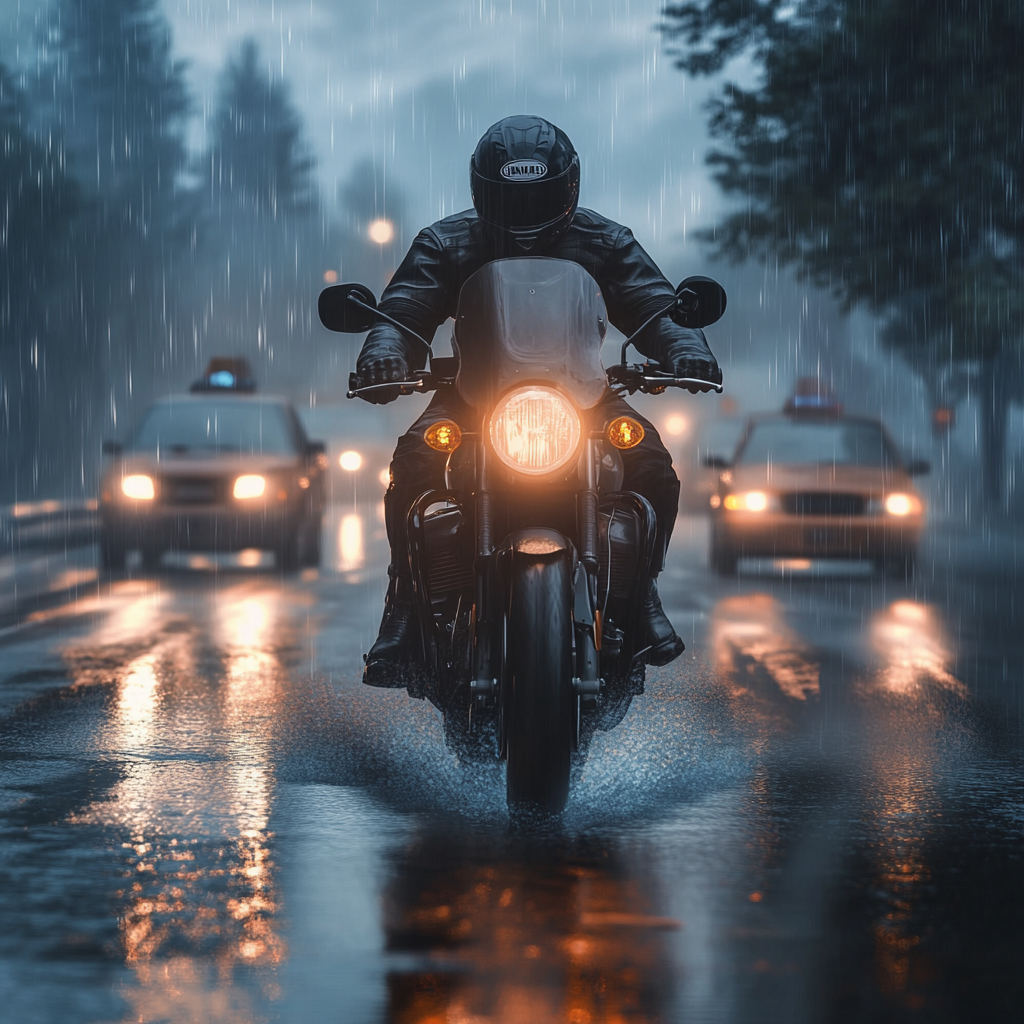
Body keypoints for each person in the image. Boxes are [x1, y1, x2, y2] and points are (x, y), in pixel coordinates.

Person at [355, 115, 722, 685]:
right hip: (473, 401)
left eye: (539, 197)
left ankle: (642, 594)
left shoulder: (606, 242)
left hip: (584, 399)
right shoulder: (447, 242)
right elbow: (403, 310)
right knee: (414, 465)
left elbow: (655, 306)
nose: (526, 214)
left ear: (567, 189)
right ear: (484, 192)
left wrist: (684, 347)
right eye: (511, 198)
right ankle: (402, 606)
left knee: (652, 466)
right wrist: (385, 354)